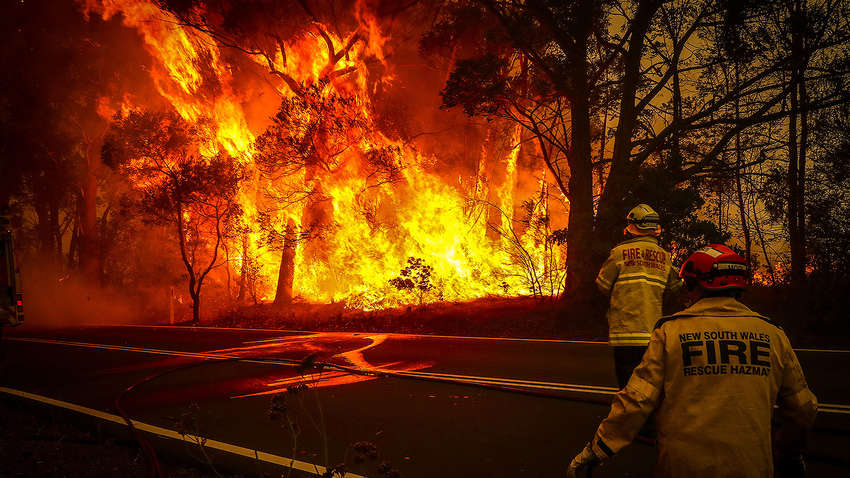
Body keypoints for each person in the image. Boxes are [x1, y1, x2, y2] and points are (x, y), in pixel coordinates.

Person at [567, 244, 818, 478]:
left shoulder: (670, 332)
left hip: (683, 469)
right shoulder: (772, 334)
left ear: (697, 284)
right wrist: (789, 455)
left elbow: (636, 401)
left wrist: (596, 451)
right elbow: (802, 407)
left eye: (688, 285)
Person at [596, 203, 682, 389]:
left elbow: (601, 286)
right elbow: (677, 289)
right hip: (654, 335)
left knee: (627, 389)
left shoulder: (618, 253)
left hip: (624, 335)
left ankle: (628, 418)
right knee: (650, 388)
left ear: (632, 227)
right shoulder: (664, 256)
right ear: (654, 228)